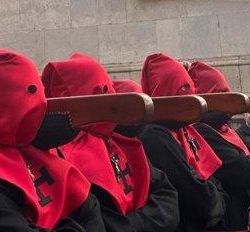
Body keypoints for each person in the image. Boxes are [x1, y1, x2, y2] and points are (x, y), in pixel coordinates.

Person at [0, 48, 105, 231]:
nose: (38, 103)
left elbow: (91, 210)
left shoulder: (43, 154)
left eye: (38, 91)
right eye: (29, 91)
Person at [42, 53, 179, 232]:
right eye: (102, 91)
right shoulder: (62, 156)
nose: (112, 98)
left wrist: (136, 223)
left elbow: (168, 196)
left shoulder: (122, 142)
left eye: (111, 89)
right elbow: (99, 222)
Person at [138, 53, 226, 232]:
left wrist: (217, 196)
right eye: (182, 91)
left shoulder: (183, 130)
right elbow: (197, 197)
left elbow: (216, 180)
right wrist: (216, 198)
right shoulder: (155, 136)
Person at [189, 61, 250, 232]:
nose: (228, 101)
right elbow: (248, 172)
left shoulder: (223, 129)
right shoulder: (201, 131)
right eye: (221, 94)